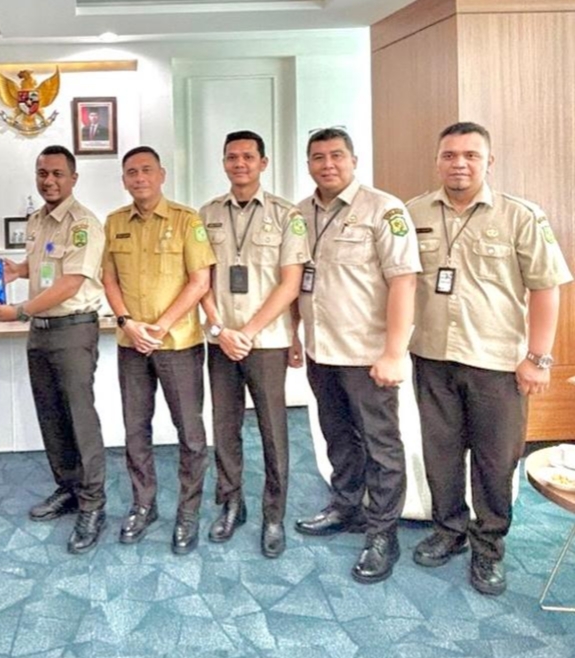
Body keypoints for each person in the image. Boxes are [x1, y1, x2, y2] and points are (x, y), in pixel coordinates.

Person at [407, 122, 572, 596]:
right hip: (432, 356)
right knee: (440, 454)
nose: (459, 163)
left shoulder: (521, 216)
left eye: (471, 155)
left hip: (497, 363)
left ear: (489, 162)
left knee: (495, 461)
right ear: (437, 160)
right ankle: (449, 530)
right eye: (449, 155)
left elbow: (546, 289)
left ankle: (489, 545)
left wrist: (538, 358)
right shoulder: (413, 213)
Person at [291, 127, 421, 583]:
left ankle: (383, 532)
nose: (327, 164)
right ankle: (347, 506)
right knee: (338, 436)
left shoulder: (384, 209)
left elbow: (404, 281)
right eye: (318, 157)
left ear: (354, 160)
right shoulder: (299, 213)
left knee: (381, 444)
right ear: (308, 163)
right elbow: (297, 280)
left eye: (336, 155)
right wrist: (295, 335)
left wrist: (394, 352)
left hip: (367, 353)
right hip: (321, 350)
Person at [0, 145, 107, 554]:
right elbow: (44, 267)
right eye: (42, 173)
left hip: (72, 331)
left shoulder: (83, 224)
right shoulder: (37, 220)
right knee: (51, 416)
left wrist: (20, 310)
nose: (49, 181)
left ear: (73, 178)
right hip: (40, 332)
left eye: (57, 173)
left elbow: (70, 283)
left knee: (80, 418)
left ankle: (93, 503)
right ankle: (68, 488)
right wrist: (16, 270)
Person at [199, 130, 308, 558]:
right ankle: (231, 504)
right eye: (232, 157)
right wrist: (220, 328)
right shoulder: (207, 214)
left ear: (263, 162)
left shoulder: (286, 215)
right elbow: (201, 280)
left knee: (273, 431)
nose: (239, 163)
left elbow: (291, 283)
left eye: (248, 156)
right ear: (223, 163)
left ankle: (273, 514)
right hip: (221, 341)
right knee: (224, 427)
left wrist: (249, 331)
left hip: (266, 342)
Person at [102, 145, 216, 555]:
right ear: (124, 180)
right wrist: (127, 323)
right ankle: (143, 504)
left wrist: (161, 325)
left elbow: (200, 281)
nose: (139, 178)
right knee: (135, 430)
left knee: (190, 433)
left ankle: (188, 512)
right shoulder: (115, 222)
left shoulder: (187, 220)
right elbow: (109, 279)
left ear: (162, 175)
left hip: (178, 343)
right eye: (131, 172)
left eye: (147, 170)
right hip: (132, 344)